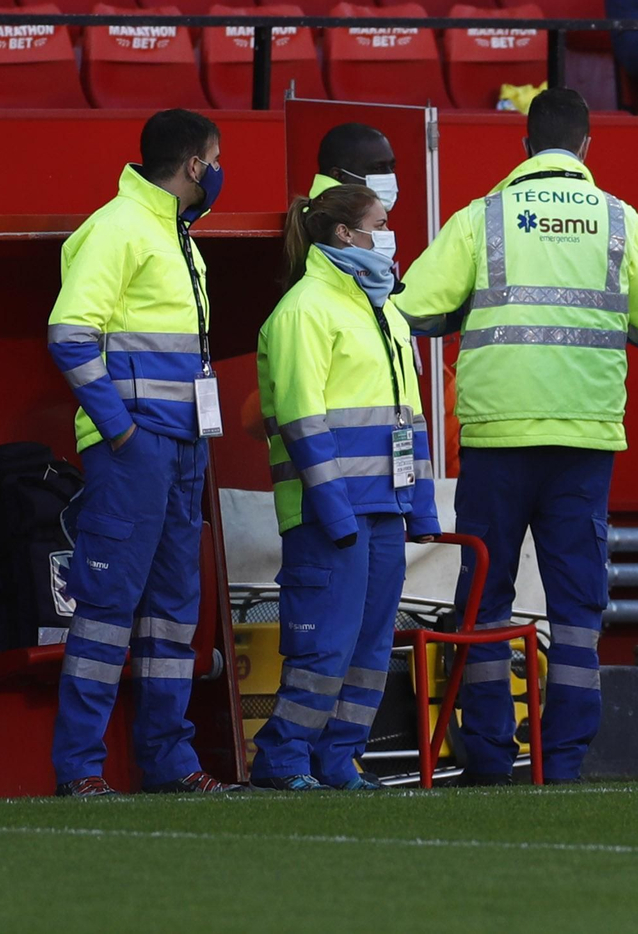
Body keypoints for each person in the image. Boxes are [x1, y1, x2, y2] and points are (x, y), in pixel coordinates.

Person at [392, 88, 638, 785]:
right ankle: (563, 761)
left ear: (523, 147)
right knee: (577, 609)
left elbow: (413, 309)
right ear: (586, 147)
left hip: (497, 436)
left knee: (484, 597)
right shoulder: (621, 220)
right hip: (585, 439)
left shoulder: (482, 218)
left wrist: (466, 315)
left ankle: (489, 756)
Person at [46, 109, 243, 796]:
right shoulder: (119, 228)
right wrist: (123, 433)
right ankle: (80, 769)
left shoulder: (178, 236)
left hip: (181, 448)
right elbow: (70, 335)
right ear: (195, 165)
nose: (218, 172)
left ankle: (167, 759)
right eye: (214, 160)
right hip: (135, 451)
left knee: (171, 613)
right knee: (106, 610)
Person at [250, 185, 441, 792]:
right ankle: (282, 760)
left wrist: (422, 502)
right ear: (343, 235)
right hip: (328, 511)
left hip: (382, 507)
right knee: (325, 648)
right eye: (379, 225)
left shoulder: (382, 308)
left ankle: (338, 761)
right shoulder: (304, 310)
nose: (388, 235)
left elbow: (409, 416)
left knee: (370, 647)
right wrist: (332, 510)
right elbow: (302, 420)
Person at [310, 123, 398, 208]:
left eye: (392, 167)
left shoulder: (356, 216)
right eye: (378, 168)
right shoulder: (320, 220)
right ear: (338, 175)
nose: (389, 176)